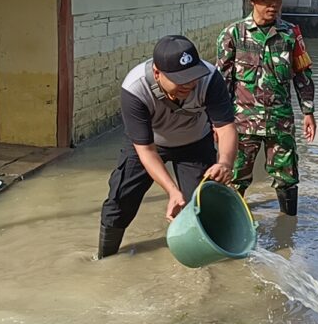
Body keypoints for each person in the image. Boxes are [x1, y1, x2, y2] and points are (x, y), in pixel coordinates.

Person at [97, 35, 238, 258]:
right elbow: (146, 150)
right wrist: (172, 191)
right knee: (121, 200)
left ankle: (204, 264)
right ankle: (105, 258)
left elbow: (225, 127)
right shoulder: (135, 88)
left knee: (202, 205)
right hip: (150, 144)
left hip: (195, 142)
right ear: (157, 73)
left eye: (192, 77)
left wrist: (224, 162)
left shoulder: (210, 78)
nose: (189, 85)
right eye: (180, 79)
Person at [216, 0, 316, 216]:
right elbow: (221, 83)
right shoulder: (234, 35)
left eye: (278, 0)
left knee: (287, 176)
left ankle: (289, 230)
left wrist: (308, 112)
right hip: (241, 123)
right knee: (235, 177)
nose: (274, 6)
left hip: (280, 121)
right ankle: (232, 223)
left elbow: (303, 74)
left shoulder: (291, 34)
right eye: (268, 0)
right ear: (254, 1)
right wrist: (217, 123)